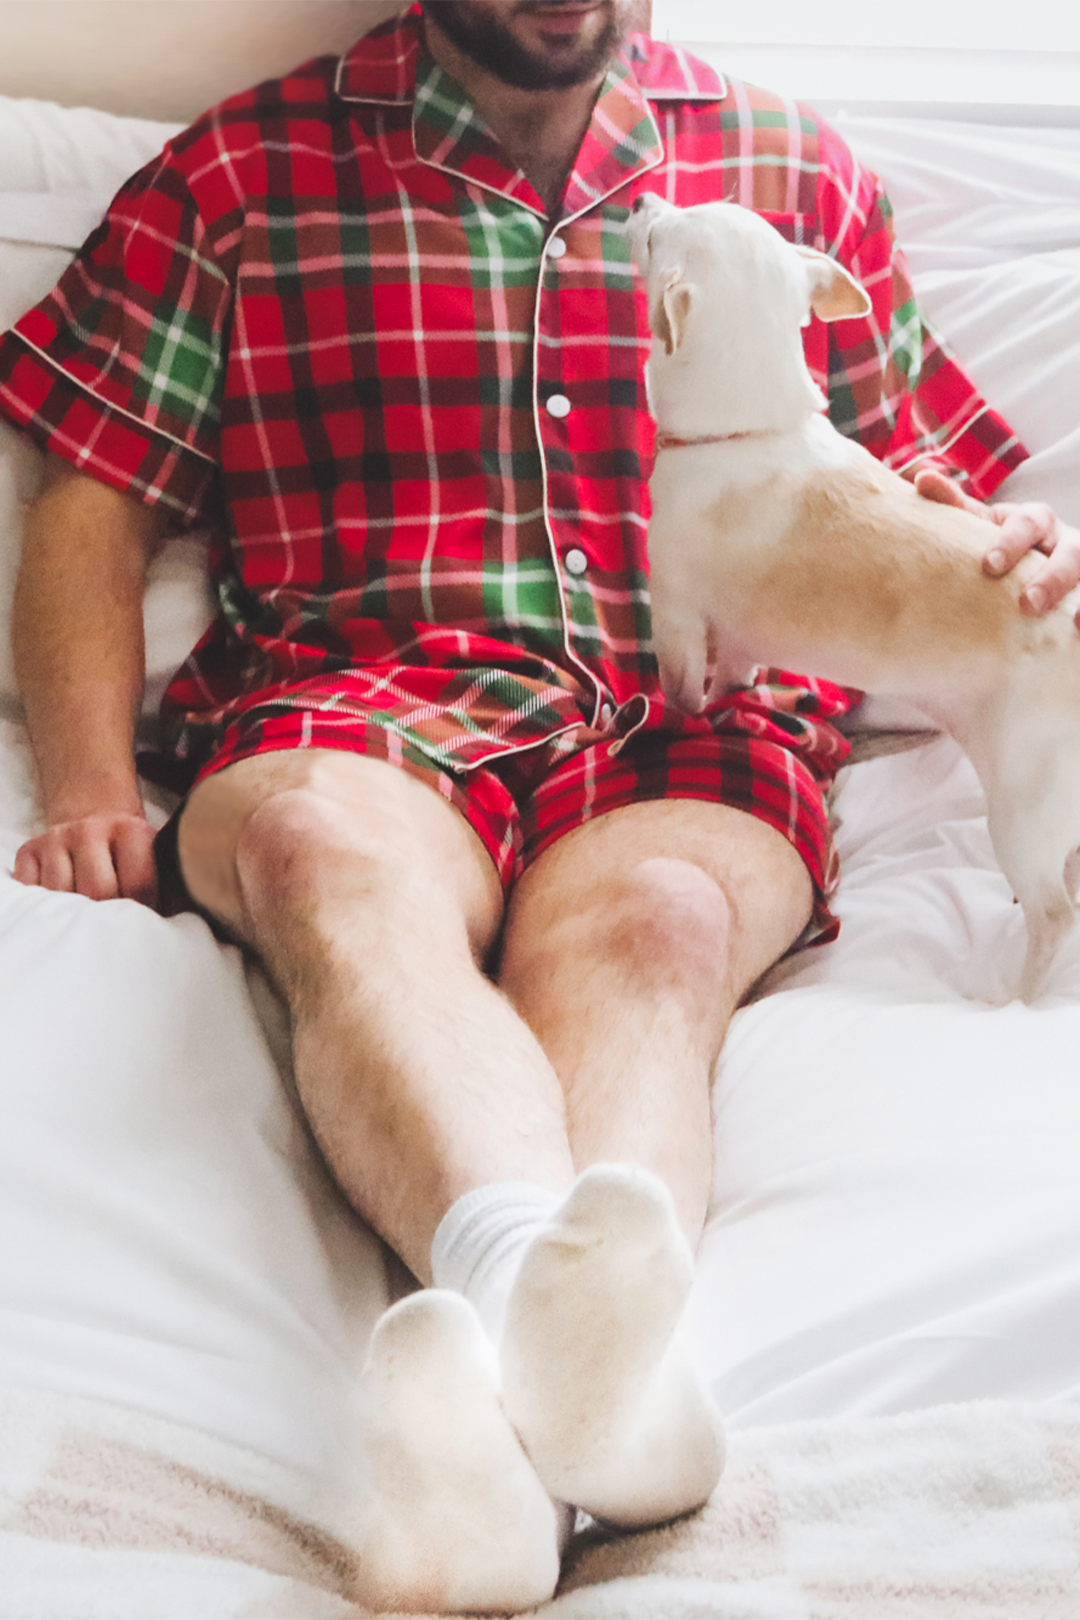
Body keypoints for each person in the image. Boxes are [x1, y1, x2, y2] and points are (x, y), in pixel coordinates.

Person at [2, 1, 1079, 1609]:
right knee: (314, 854)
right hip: (358, 699)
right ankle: (573, 1377)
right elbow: (92, 500)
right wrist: (89, 783)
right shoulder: (240, 173)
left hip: (688, 719)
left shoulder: (787, 167)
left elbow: (922, 477)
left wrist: (1020, 554)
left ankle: (512, 1460)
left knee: (663, 922)